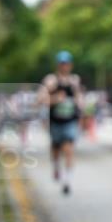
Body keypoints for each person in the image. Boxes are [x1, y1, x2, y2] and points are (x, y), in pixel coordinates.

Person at [40, 51, 83, 195]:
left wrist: (80, 106)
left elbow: (79, 99)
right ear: (58, 65)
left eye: (67, 64)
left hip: (70, 121)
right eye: (62, 63)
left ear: (71, 65)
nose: (65, 66)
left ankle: (67, 181)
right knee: (56, 151)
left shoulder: (74, 81)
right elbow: (41, 99)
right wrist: (55, 99)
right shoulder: (51, 80)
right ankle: (56, 168)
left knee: (68, 149)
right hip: (55, 122)